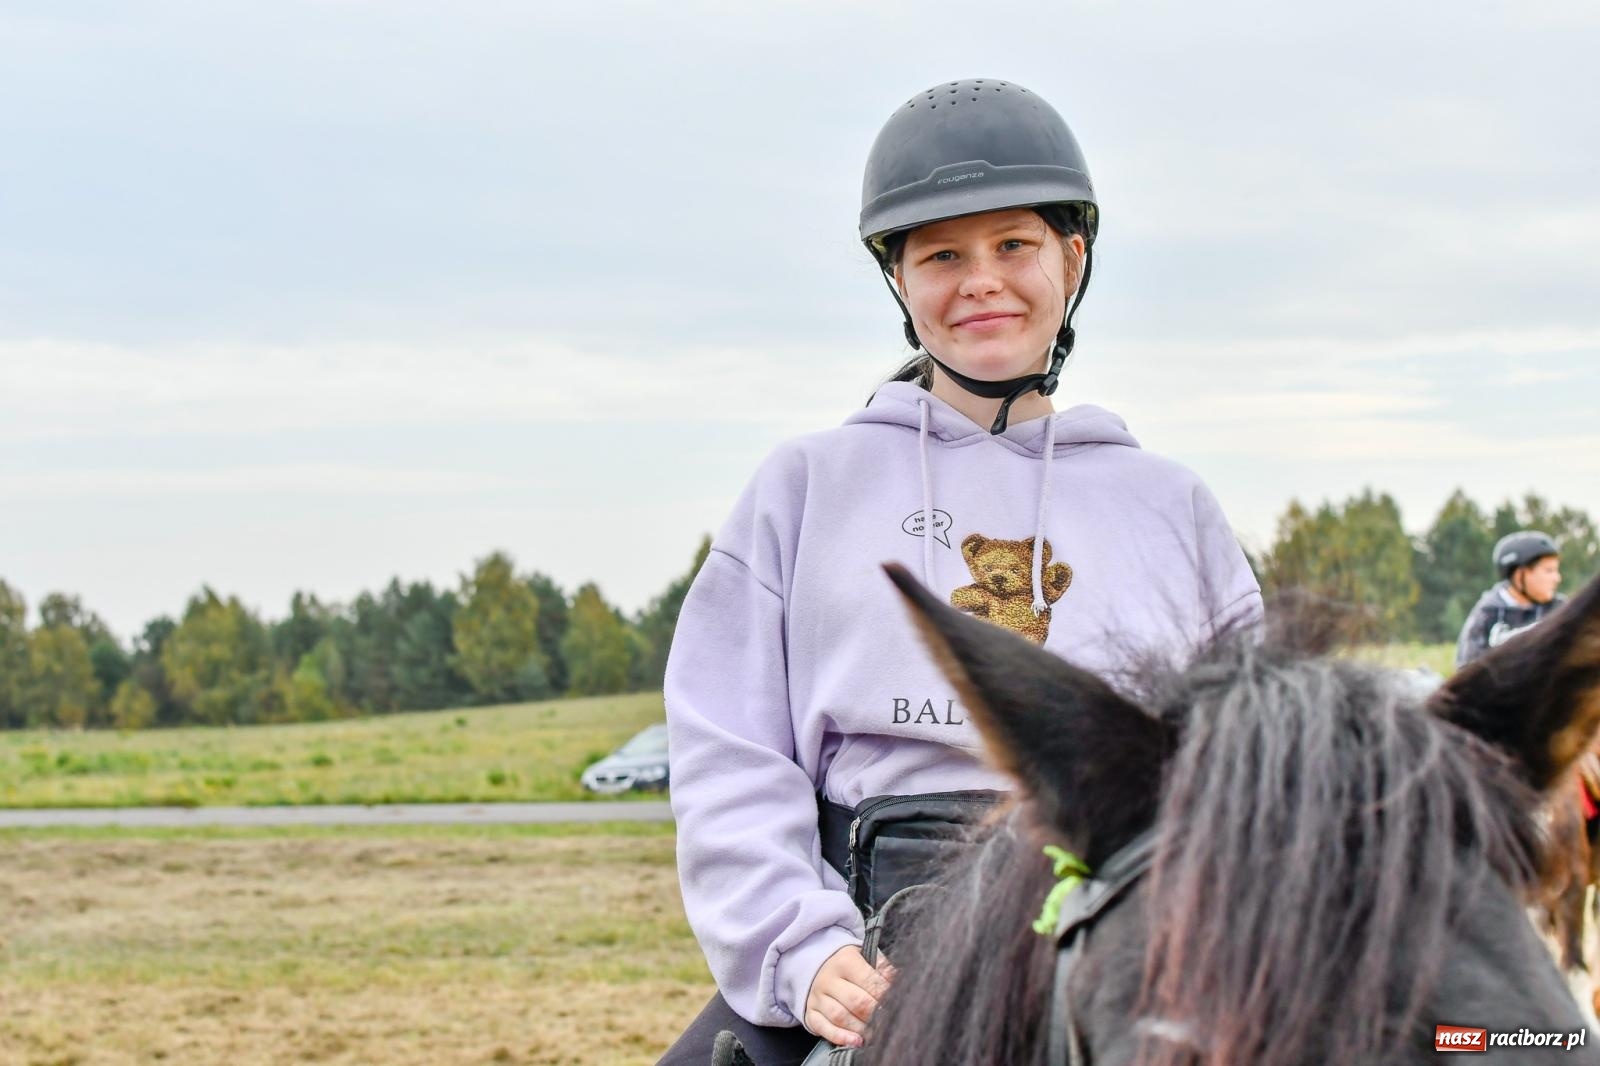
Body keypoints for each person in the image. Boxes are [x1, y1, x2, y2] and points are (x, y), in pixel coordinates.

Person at [658, 77, 1263, 1066]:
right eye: (942, 254)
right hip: (866, 939)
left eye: (1013, 245)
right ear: (900, 281)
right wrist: (802, 948)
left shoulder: (1171, 506)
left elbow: (1243, 767)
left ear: (1071, 259)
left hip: (1118, 936)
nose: (981, 280)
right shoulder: (805, 486)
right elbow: (728, 746)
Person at [1455, 530, 1566, 667]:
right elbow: (1467, 668)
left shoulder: (1560, 609)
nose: (1557, 578)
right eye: (1549, 570)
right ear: (1519, 576)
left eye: (1556, 570)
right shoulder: (1487, 615)